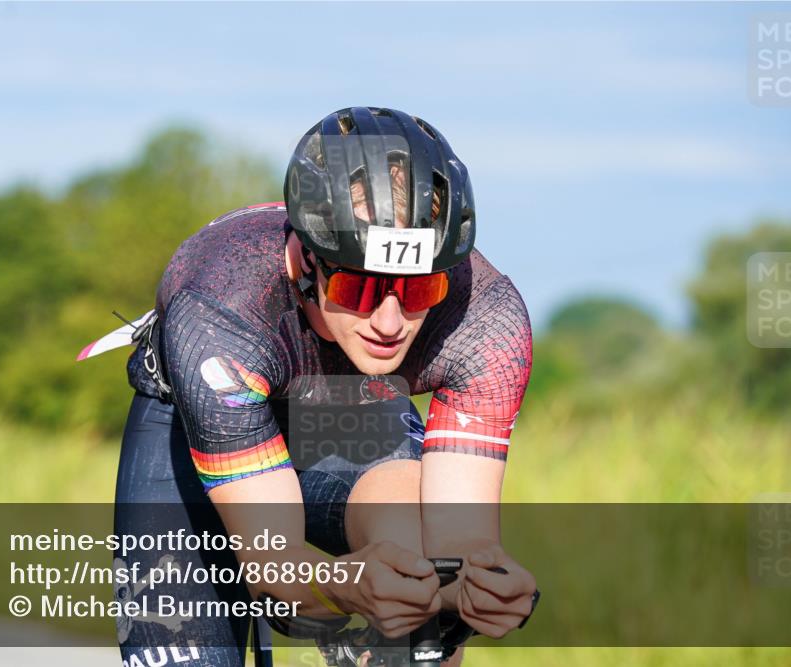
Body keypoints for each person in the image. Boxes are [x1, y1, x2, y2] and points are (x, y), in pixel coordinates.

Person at [82, 107, 537, 667]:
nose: (390, 323)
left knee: (423, 585)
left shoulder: (486, 323)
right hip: (203, 413)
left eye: (419, 291)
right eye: (358, 288)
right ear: (304, 261)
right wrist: (344, 588)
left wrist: (478, 592)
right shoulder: (221, 312)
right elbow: (272, 568)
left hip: (347, 406)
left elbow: (460, 548)